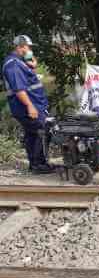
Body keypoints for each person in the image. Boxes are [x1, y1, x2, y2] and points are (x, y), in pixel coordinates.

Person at [1, 35, 54, 174]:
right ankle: (38, 165)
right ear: (21, 46)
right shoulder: (13, 64)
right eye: (28, 47)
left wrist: (32, 64)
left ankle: (36, 164)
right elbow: (19, 88)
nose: (30, 49)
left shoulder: (20, 62)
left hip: (34, 104)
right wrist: (30, 106)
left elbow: (29, 81)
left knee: (33, 134)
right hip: (25, 107)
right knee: (41, 131)